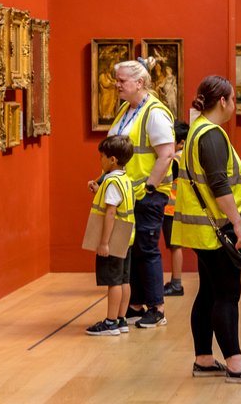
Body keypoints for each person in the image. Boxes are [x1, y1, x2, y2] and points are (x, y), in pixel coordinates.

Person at [172, 75, 241, 384]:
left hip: (200, 229)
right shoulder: (212, 135)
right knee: (228, 293)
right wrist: (239, 224)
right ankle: (236, 364)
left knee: (209, 292)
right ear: (224, 101)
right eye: (233, 99)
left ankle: (204, 359)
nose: (234, 106)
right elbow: (218, 184)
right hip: (217, 228)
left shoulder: (197, 131)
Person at [99, 58, 174, 329]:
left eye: (122, 81)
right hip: (127, 195)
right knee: (133, 249)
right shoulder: (125, 109)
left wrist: (150, 188)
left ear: (139, 83)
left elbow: (166, 155)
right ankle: (137, 303)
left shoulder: (154, 112)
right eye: (116, 80)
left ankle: (157, 307)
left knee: (147, 248)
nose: (116, 85)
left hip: (146, 193)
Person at [85, 135, 136, 336]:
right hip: (126, 238)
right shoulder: (125, 179)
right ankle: (122, 319)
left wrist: (104, 242)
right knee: (124, 280)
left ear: (112, 159)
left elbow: (111, 212)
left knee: (113, 281)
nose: (100, 160)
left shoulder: (112, 181)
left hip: (113, 239)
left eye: (102, 157)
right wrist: (99, 191)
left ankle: (110, 321)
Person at [162, 120, 190, 297]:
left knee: (174, 246)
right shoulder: (188, 157)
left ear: (180, 142)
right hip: (180, 207)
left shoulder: (175, 159)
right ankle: (175, 281)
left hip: (171, 207)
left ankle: (176, 283)